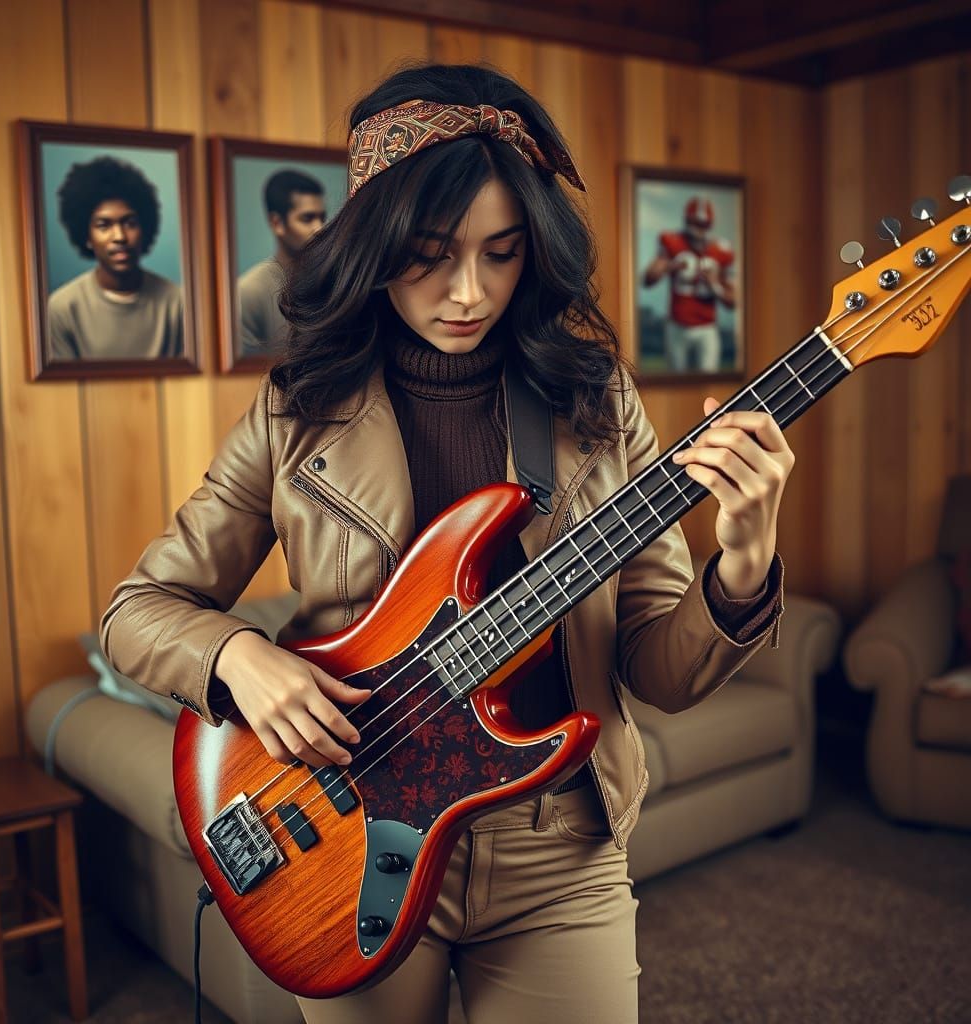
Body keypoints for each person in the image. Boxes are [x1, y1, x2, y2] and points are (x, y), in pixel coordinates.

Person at [101, 63, 791, 1024]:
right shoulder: (295, 410)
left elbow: (660, 674)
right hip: (346, 842)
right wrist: (237, 656)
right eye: (430, 255)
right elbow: (134, 614)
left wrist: (744, 562)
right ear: (375, 246)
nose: (469, 292)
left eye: (502, 254)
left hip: (557, 844)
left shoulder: (597, 400)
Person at [47, 155, 183, 361]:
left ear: (145, 228)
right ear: (87, 237)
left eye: (129, 223)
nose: (119, 236)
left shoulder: (177, 302)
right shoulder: (63, 308)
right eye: (104, 225)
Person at [237, 168, 327, 356]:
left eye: (322, 218)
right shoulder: (250, 292)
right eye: (307, 218)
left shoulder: (331, 281)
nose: (319, 228)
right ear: (277, 223)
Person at [642, 195, 736, 372]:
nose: (699, 231)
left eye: (704, 225)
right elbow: (648, 279)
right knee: (676, 380)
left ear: (710, 225)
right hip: (677, 324)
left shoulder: (722, 251)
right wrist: (669, 266)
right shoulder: (672, 242)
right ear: (686, 221)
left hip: (707, 326)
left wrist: (715, 284)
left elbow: (733, 301)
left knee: (710, 381)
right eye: (695, 224)